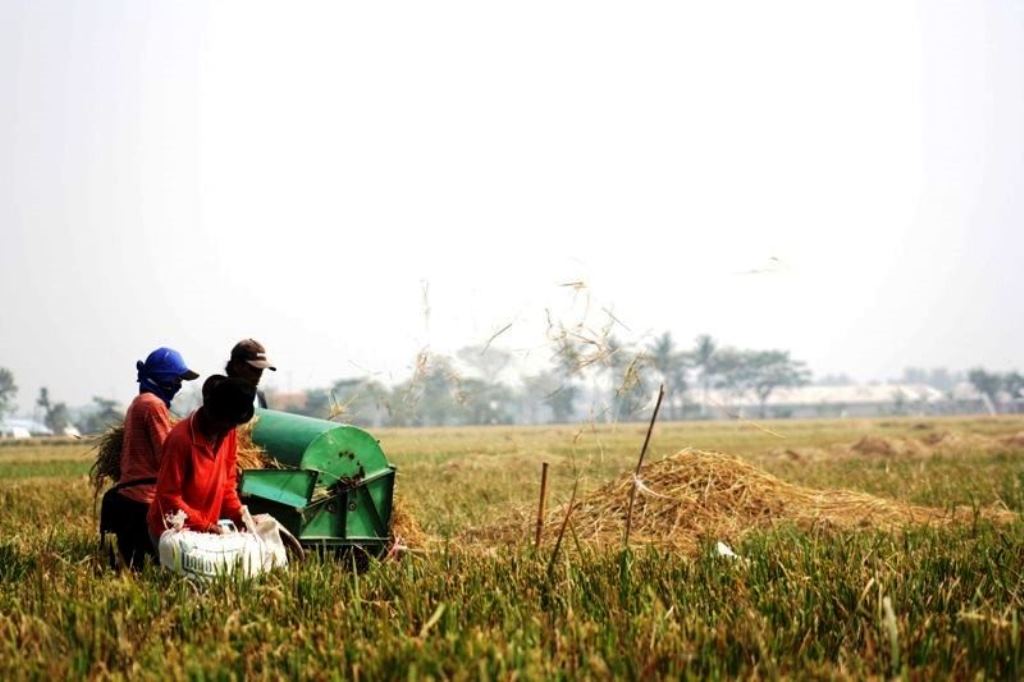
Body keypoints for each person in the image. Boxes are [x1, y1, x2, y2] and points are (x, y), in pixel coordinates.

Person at [100, 347, 199, 569]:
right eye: (176, 380)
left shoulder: (138, 403)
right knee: (153, 572)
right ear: (164, 379)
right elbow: (167, 454)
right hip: (144, 503)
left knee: (132, 571)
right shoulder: (153, 405)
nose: (179, 386)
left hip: (129, 499)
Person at [147, 376, 257, 543]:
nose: (231, 429)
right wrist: (207, 527)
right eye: (228, 422)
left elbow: (227, 485)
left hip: (204, 533)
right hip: (172, 533)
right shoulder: (181, 440)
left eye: (235, 424)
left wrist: (240, 515)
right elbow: (168, 497)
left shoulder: (228, 434)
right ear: (213, 414)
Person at [225, 338, 276, 409]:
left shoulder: (259, 396)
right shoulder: (219, 396)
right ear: (237, 365)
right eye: (254, 369)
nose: (258, 375)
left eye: (261, 369)